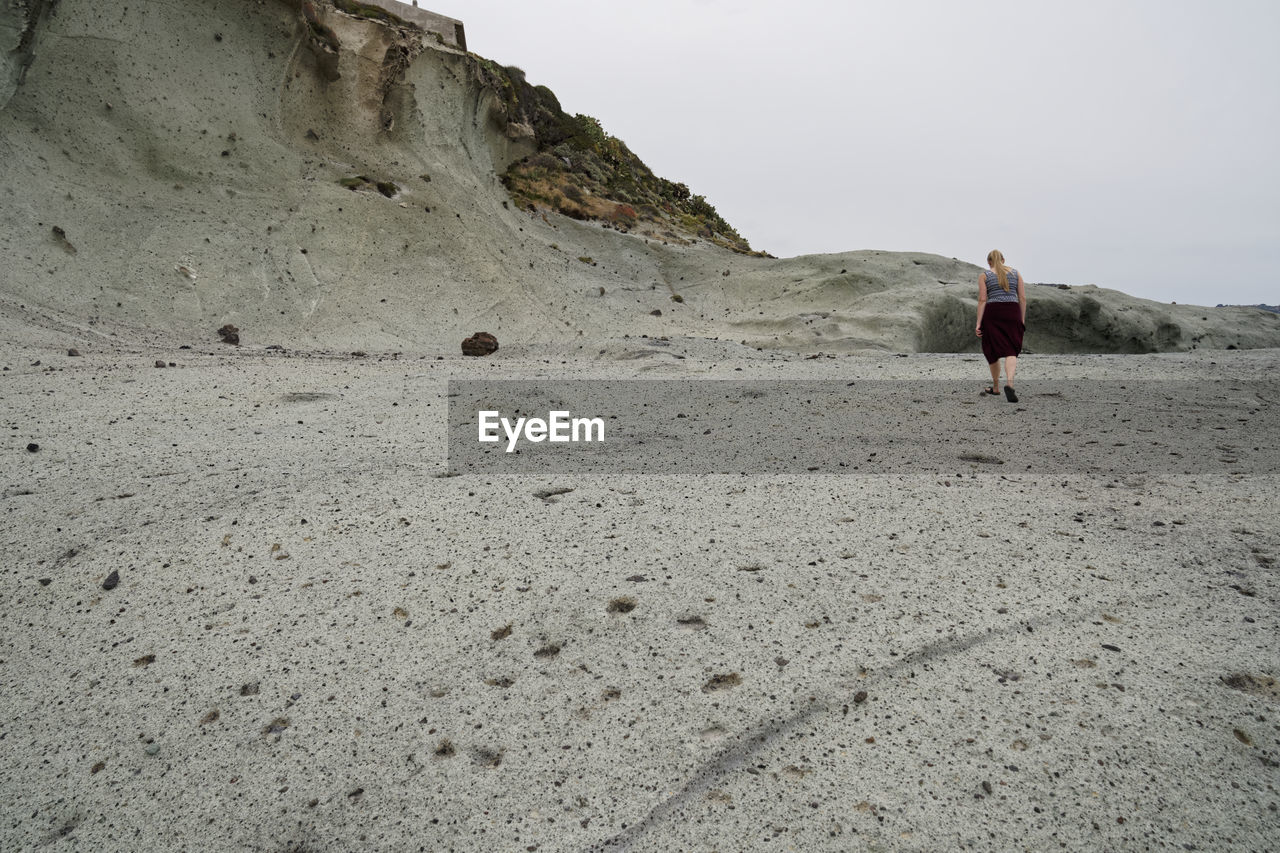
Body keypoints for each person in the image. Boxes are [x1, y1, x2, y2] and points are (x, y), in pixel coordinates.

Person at [975, 249, 1026, 402]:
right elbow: (1022, 298)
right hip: (1012, 311)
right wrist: (1021, 319)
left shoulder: (984, 276)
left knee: (992, 350)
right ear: (1003, 260)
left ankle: (996, 387)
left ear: (989, 262)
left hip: (993, 313)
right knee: (1011, 349)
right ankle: (1010, 384)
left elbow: (982, 300)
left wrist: (978, 323)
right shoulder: (1016, 274)